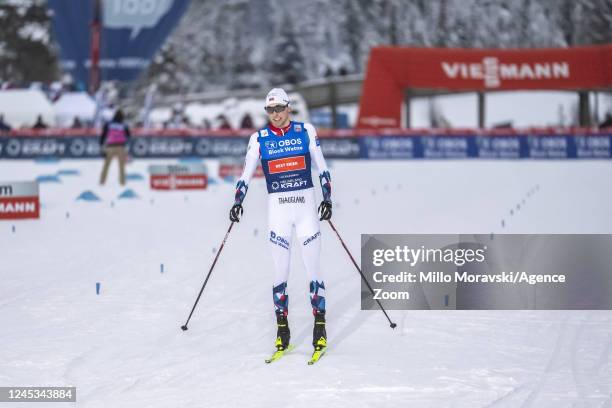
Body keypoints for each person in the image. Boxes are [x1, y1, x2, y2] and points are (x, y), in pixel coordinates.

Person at [229, 88, 333, 357]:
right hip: (279, 213)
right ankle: (282, 330)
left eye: (279, 109)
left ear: (288, 108)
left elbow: (322, 167)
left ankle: (319, 328)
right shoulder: (258, 139)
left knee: (313, 269)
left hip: (306, 209)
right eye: (270, 110)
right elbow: (245, 174)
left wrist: (328, 199)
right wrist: (237, 201)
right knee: (280, 272)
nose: (275, 115)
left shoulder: (306, 131)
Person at [99, 109, 130, 185]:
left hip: (110, 146)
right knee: (122, 166)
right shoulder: (124, 124)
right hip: (121, 147)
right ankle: (122, 182)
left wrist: (101, 145)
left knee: (106, 165)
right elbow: (128, 135)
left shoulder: (109, 124)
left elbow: (103, 135)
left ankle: (102, 181)